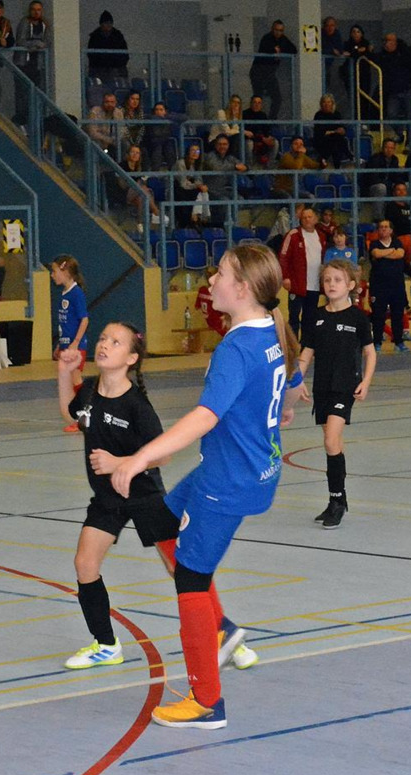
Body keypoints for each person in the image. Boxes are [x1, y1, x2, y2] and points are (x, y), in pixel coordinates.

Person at [100, 244, 300, 729]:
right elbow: (290, 380)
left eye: (221, 274)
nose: (211, 280)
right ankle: (222, 629)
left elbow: (205, 417)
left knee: (190, 577)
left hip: (229, 480)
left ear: (243, 288)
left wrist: (141, 457)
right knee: (160, 523)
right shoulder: (268, 330)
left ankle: (207, 701)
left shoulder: (237, 348)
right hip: (238, 469)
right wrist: (278, 408)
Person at [58, 322, 256, 670]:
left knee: (180, 567)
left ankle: (223, 633)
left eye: (115, 342)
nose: (104, 345)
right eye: (103, 339)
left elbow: (162, 456)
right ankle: (106, 644)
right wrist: (64, 372)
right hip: (107, 497)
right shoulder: (89, 390)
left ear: (131, 358)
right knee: (85, 564)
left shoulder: (137, 405)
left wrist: (120, 462)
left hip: (144, 494)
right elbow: (70, 412)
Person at [295, 259, 376, 529]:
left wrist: (366, 381)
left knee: (331, 441)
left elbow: (369, 352)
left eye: (338, 280)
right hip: (322, 387)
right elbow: (307, 352)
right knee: (334, 444)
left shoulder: (358, 318)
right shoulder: (315, 317)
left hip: (345, 386)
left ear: (350, 285)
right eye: (327, 280)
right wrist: (297, 379)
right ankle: (336, 500)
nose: (331, 284)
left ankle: (338, 501)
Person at [50, 254, 88, 433]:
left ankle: (84, 417)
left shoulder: (76, 293)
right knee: (71, 382)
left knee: (76, 380)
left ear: (65, 271)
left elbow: (84, 320)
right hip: (67, 345)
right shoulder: (64, 293)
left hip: (76, 346)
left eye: (54, 271)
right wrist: (61, 344)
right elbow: (66, 324)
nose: (52, 275)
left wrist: (75, 343)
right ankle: (80, 416)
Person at [279, 207, 326, 342]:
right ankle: (293, 346)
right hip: (297, 284)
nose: (307, 220)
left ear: (315, 219)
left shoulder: (321, 236)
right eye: (304, 217)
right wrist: (285, 277)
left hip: (314, 285)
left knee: (309, 318)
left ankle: (306, 346)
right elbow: (283, 256)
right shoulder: (293, 235)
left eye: (309, 217)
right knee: (294, 317)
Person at [367, 219, 411, 353]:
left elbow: (400, 254)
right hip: (379, 286)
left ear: (391, 230)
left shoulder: (397, 242)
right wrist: (391, 251)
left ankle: (399, 342)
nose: (383, 229)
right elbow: (376, 253)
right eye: (381, 227)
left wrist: (384, 253)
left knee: (397, 314)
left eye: (386, 227)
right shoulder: (374, 244)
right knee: (378, 315)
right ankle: (377, 343)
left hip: (396, 285)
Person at [371, 34, 411, 140]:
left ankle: (409, 140)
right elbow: (374, 59)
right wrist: (369, 51)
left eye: (388, 41)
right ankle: (400, 133)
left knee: (410, 116)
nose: (385, 44)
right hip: (393, 91)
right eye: (384, 41)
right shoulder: (384, 56)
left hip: (409, 89)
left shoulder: (407, 52)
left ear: (394, 42)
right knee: (391, 115)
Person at [250, 20, 297, 119]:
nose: (278, 32)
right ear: (272, 29)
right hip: (258, 72)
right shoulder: (266, 38)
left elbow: (293, 50)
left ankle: (271, 120)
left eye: (281, 30)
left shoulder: (283, 39)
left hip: (270, 74)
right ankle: (255, 119)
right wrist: (273, 50)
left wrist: (280, 50)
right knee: (257, 98)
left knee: (277, 98)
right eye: (276, 30)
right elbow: (265, 48)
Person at [13, 1, 48, 129]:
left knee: (38, 94)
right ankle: (22, 122)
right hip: (23, 64)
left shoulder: (45, 25)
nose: (36, 12)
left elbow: (47, 42)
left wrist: (39, 46)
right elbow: (20, 41)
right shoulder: (25, 23)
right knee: (23, 95)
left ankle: (37, 122)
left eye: (38, 10)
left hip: (37, 65)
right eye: (33, 9)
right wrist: (35, 45)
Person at [361, 137, 405, 220]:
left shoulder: (395, 159)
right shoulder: (375, 158)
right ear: (382, 148)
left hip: (388, 186)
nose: (389, 150)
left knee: (404, 187)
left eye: (391, 148)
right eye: (387, 147)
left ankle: (403, 216)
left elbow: (395, 176)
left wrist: (399, 183)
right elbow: (373, 178)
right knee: (381, 187)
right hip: (372, 188)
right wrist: (390, 185)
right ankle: (378, 218)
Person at [86, 10, 129, 81]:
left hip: (116, 70)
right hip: (99, 71)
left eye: (110, 23)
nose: (109, 25)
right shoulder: (95, 37)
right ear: (101, 24)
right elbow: (91, 55)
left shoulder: (118, 36)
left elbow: (124, 54)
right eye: (106, 23)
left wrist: (116, 65)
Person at [312, 94, 349, 167]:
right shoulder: (318, 115)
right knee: (336, 140)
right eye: (324, 102)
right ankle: (349, 156)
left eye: (329, 102)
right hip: (322, 139)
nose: (326, 104)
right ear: (321, 104)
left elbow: (341, 127)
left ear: (332, 103)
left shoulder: (337, 114)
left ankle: (323, 158)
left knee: (337, 140)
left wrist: (342, 130)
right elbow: (320, 131)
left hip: (335, 138)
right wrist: (334, 131)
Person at [240, 94, 278, 165]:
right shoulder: (244, 114)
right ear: (251, 103)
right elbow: (248, 132)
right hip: (249, 139)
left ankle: (269, 165)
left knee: (275, 142)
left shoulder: (263, 115)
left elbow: (266, 129)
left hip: (262, 139)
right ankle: (249, 165)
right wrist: (262, 138)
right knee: (249, 144)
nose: (257, 105)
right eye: (255, 102)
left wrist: (268, 137)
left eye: (259, 103)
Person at [140, 102, 177, 170]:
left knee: (169, 149)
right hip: (151, 142)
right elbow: (147, 117)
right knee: (157, 148)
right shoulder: (150, 117)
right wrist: (164, 118)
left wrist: (167, 117)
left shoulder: (168, 117)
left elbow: (184, 117)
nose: (158, 111)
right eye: (156, 110)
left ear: (165, 111)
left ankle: (173, 171)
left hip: (165, 141)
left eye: (161, 110)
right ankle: (155, 171)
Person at [343, 25, 372, 108]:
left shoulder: (366, 43)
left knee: (364, 96)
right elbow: (347, 52)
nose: (356, 34)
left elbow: (368, 53)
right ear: (351, 34)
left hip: (364, 73)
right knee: (353, 96)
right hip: (352, 74)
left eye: (358, 32)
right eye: (353, 32)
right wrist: (357, 51)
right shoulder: (347, 44)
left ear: (362, 34)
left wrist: (354, 52)